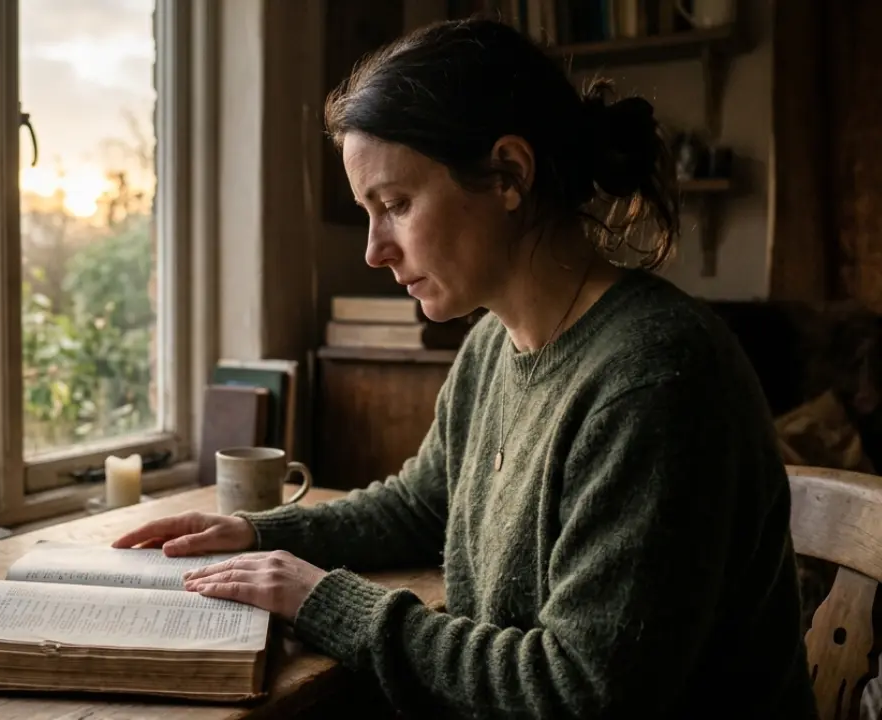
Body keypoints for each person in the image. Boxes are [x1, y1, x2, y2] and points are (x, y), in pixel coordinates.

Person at [113, 17, 817, 719]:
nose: (373, 250)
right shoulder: (491, 345)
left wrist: (325, 600)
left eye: (394, 204)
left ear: (509, 174)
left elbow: (579, 690)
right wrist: (262, 532)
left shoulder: (656, 380)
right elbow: (424, 503)